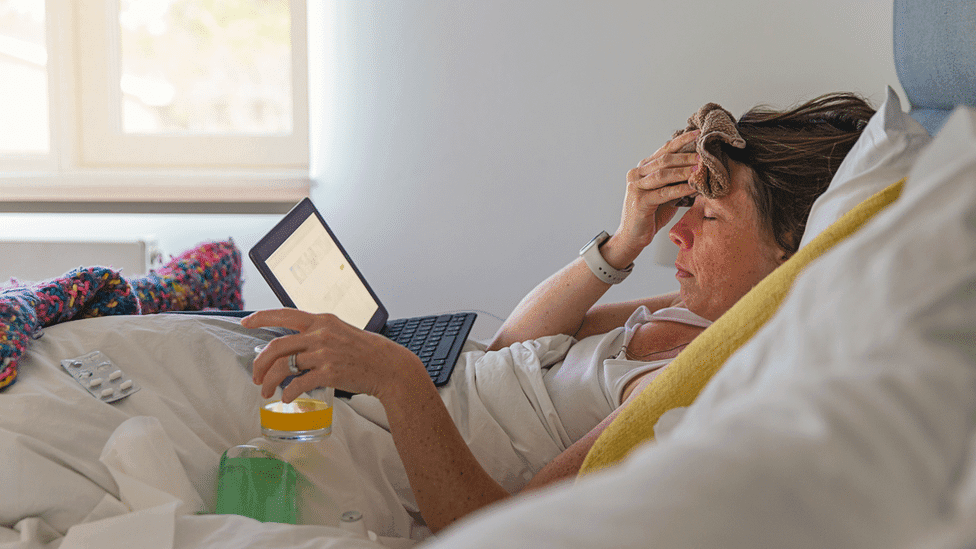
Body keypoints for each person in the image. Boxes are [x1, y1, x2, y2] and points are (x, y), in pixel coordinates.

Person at [242, 92, 876, 533]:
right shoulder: (700, 313)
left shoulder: (696, 385)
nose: (677, 233)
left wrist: (396, 375)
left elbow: (501, 529)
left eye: (709, 216)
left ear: (789, 255)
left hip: (391, 449)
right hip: (414, 396)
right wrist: (622, 242)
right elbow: (516, 345)